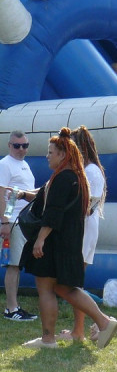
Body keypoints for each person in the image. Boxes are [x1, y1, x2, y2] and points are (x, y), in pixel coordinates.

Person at [20, 128, 117, 349]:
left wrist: (40, 239)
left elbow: (53, 212)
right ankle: (103, 323)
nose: (47, 156)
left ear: (63, 154)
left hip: (55, 242)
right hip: (70, 242)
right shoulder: (76, 176)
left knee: (46, 288)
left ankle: (48, 339)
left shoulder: (64, 177)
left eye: (51, 152)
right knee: (66, 288)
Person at [60, 126, 106, 342]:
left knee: (74, 283)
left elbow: (87, 206)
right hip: (84, 227)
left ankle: (90, 326)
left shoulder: (91, 172)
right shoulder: (86, 170)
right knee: (75, 282)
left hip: (84, 228)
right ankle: (80, 329)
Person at [0, 131, 38, 321]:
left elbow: (26, 192)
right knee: (12, 265)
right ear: (9, 146)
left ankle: (15, 306)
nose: (21, 149)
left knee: (17, 265)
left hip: (25, 220)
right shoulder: (5, 164)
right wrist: (5, 222)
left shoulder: (24, 165)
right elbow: (1, 195)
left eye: (25, 146)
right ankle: (11, 308)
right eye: (17, 146)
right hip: (13, 220)